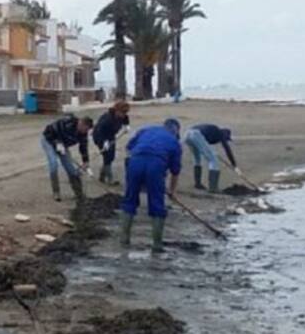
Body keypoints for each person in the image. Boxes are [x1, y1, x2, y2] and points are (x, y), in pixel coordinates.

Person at [119, 118, 183, 254]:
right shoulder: (174, 142)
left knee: (130, 200)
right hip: (156, 165)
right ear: (176, 131)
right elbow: (175, 172)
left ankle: (124, 240)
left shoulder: (146, 130)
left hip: (135, 162)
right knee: (156, 203)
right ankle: (157, 245)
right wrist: (171, 192)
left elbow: (129, 148)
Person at [41, 113, 94, 203]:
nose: (85, 132)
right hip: (49, 141)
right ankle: (56, 192)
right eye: (85, 129)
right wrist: (56, 143)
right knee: (54, 165)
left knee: (71, 169)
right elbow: (49, 131)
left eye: (87, 130)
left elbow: (83, 147)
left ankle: (79, 194)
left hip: (63, 146)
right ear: (81, 123)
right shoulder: (66, 123)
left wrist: (86, 161)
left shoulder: (83, 134)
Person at [185, 123, 238, 193]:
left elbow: (205, 144)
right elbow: (227, 149)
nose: (225, 140)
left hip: (187, 134)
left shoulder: (213, 131)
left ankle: (198, 184)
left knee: (197, 159)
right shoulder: (220, 133)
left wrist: (211, 152)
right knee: (213, 160)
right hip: (196, 135)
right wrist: (234, 164)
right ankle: (213, 188)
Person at [91, 100, 130, 184]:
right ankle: (110, 179)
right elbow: (100, 131)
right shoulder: (107, 119)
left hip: (110, 136)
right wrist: (104, 142)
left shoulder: (122, 116)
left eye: (125, 112)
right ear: (117, 110)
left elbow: (126, 119)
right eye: (122, 112)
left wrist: (127, 126)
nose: (124, 114)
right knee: (107, 156)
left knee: (111, 156)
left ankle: (102, 175)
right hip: (99, 136)